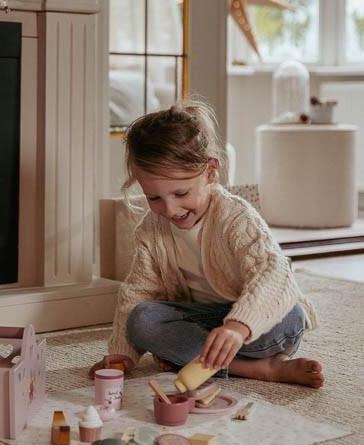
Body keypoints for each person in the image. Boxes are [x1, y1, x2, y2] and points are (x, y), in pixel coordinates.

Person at [90, 99, 324, 388]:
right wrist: (121, 355)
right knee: (143, 319)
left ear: (211, 172)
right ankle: (258, 370)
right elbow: (138, 292)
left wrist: (237, 328)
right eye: (154, 198)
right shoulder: (151, 230)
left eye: (180, 193)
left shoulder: (235, 217)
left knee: (290, 317)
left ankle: (193, 358)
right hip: (202, 323)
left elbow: (274, 275)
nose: (170, 209)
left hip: (253, 325)